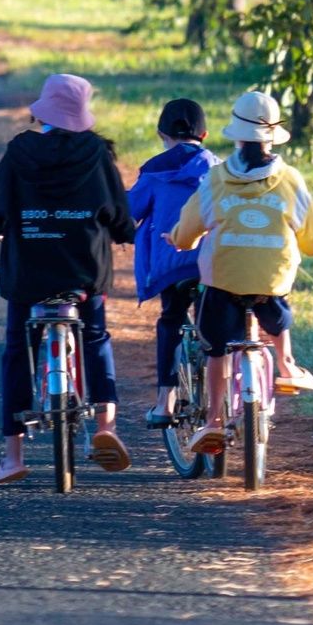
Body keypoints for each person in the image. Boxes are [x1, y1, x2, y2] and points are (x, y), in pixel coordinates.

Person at [0, 71, 134, 486]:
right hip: (83, 271)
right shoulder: (98, 155)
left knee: (16, 350)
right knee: (96, 337)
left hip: (29, 274)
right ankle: (105, 425)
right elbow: (119, 216)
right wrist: (121, 234)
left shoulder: (18, 152)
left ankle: (13, 456)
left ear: (44, 111)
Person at [170, 86, 313, 456]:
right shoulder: (291, 181)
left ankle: (212, 421)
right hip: (271, 284)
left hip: (223, 281)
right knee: (277, 306)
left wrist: (177, 238)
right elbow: (312, 242)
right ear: (272, 137)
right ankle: (286, 364)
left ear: (236, 136)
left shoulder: (214, 179)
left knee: (214, 349)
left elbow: (187, 232)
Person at [128, 97, 212, 425]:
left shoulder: (154, 172)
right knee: (212, 327)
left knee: (171, 319)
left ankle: (166, 401)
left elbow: (129, 211)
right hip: (211, 262)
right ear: (204, 135)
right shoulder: (218, 169)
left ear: (161, 133)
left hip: (172, 264)